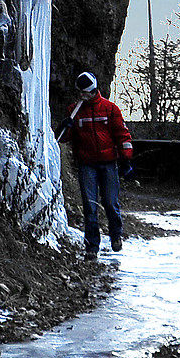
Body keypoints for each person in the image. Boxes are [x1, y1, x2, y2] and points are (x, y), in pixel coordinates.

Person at [58, 71, 133, 254]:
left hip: (108, 163)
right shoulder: (73, 111)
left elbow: (122, 135)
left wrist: (126, 159)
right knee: (89, 205)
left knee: (110, 202)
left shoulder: (110, 109)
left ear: (93, 91)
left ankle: (116, 235)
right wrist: (64, 126)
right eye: (79, 93)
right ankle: (92, 246)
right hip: (86, 164)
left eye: (85, 93)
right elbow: (62, 138)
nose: (82, 97)